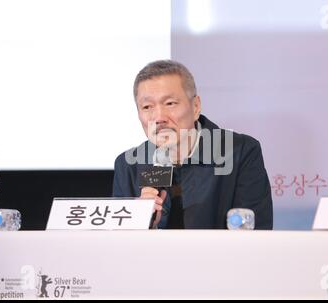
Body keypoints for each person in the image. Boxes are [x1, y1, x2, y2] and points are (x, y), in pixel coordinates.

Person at [113, 60, 273, 229]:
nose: (159, 117)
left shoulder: (241, 152)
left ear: (196, 106)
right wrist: (144, 223)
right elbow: (120, 246)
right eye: (147, 106)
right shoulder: (128, 165)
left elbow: (256, 234)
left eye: (170, 103)